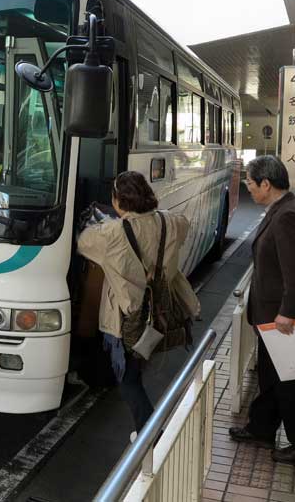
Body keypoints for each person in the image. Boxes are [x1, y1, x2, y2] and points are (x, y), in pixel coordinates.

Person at [76, 171, 198, 433]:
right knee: (137, 366)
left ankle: (150, 432)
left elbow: (83, 243)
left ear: (118, 200)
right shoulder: (171, 222)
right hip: (162, 306)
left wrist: (100, 222)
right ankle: (149, 430)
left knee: (129, 380)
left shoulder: (112, 233)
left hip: (128, 315)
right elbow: (186, 225)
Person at [229, 155, 295, 466]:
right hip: (272, 314)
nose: (249, 189)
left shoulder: (288, 217)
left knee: (291, 382)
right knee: (272, 377)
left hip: (283, 318)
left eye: (250, 184)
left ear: (266, 184)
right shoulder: (283, 210)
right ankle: (261, 428)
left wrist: (288, 312)